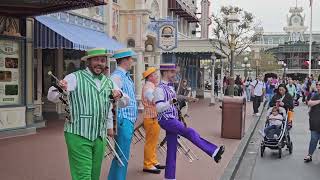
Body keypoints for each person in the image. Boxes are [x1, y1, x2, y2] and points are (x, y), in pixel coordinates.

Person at [47, 48, 128, 180]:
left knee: (94, 176)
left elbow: (125, 102)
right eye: (96, 60)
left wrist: (119, 95)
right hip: (78, 133)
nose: (100, 63)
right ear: (88, 61)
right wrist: (61, 89)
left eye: (102, 60)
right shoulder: (75, 77)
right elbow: (52, 95)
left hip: (99, 137)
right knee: (83, 176)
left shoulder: (109, 82)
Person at [154, 63, 225, 180]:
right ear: (165, 72)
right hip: (166, 120)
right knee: (189, 132)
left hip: (173, 118)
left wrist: (187, 99)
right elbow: (159, 108)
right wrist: (170, 102)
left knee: (172, 150)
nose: (174, 74)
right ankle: (213, 151)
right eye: (172, 72)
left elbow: (176, 98)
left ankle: (169, 177)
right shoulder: (159, 89)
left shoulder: (170, 87)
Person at [108, 48, 138, 180]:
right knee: (122, 155)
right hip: (122, 119)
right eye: (131, 59)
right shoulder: (117, 77)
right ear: (125, 60)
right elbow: (112, 101)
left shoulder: (124, 76)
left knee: (121, 154)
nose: (132, 61)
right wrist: (113, 123)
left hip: (126, 120)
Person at [141, 67, 165, 174]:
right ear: (150, 77)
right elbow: (154, 100)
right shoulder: (148, 87)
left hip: (153, 117)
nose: (157, 77)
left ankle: (153, 161)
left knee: (154, 141)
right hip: (151, 117)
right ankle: (148, 164)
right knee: (150, 142)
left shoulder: (151, 86)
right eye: (155, 75)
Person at [304, 81, 320, 163]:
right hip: (315, 121)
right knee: (314, 139)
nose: (318, 86)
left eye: (319, 85)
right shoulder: (316, 95)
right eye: (317, 85)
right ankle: (309, 155)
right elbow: (309, 103)